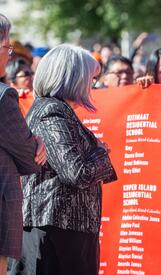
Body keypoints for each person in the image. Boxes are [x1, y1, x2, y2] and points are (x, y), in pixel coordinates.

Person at [10, 44, 117, 275]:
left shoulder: (57, 110)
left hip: (61, 233)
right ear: (73, 78)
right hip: (56, 236)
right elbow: (75, 173)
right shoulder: (52, 111)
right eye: (91, 78)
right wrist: (101, 153)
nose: (93, 85)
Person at [0, 13, 46, 275]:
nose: (9, 55)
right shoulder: (4, 99)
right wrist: (36, 141)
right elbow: (30, 157)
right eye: (7, 46)